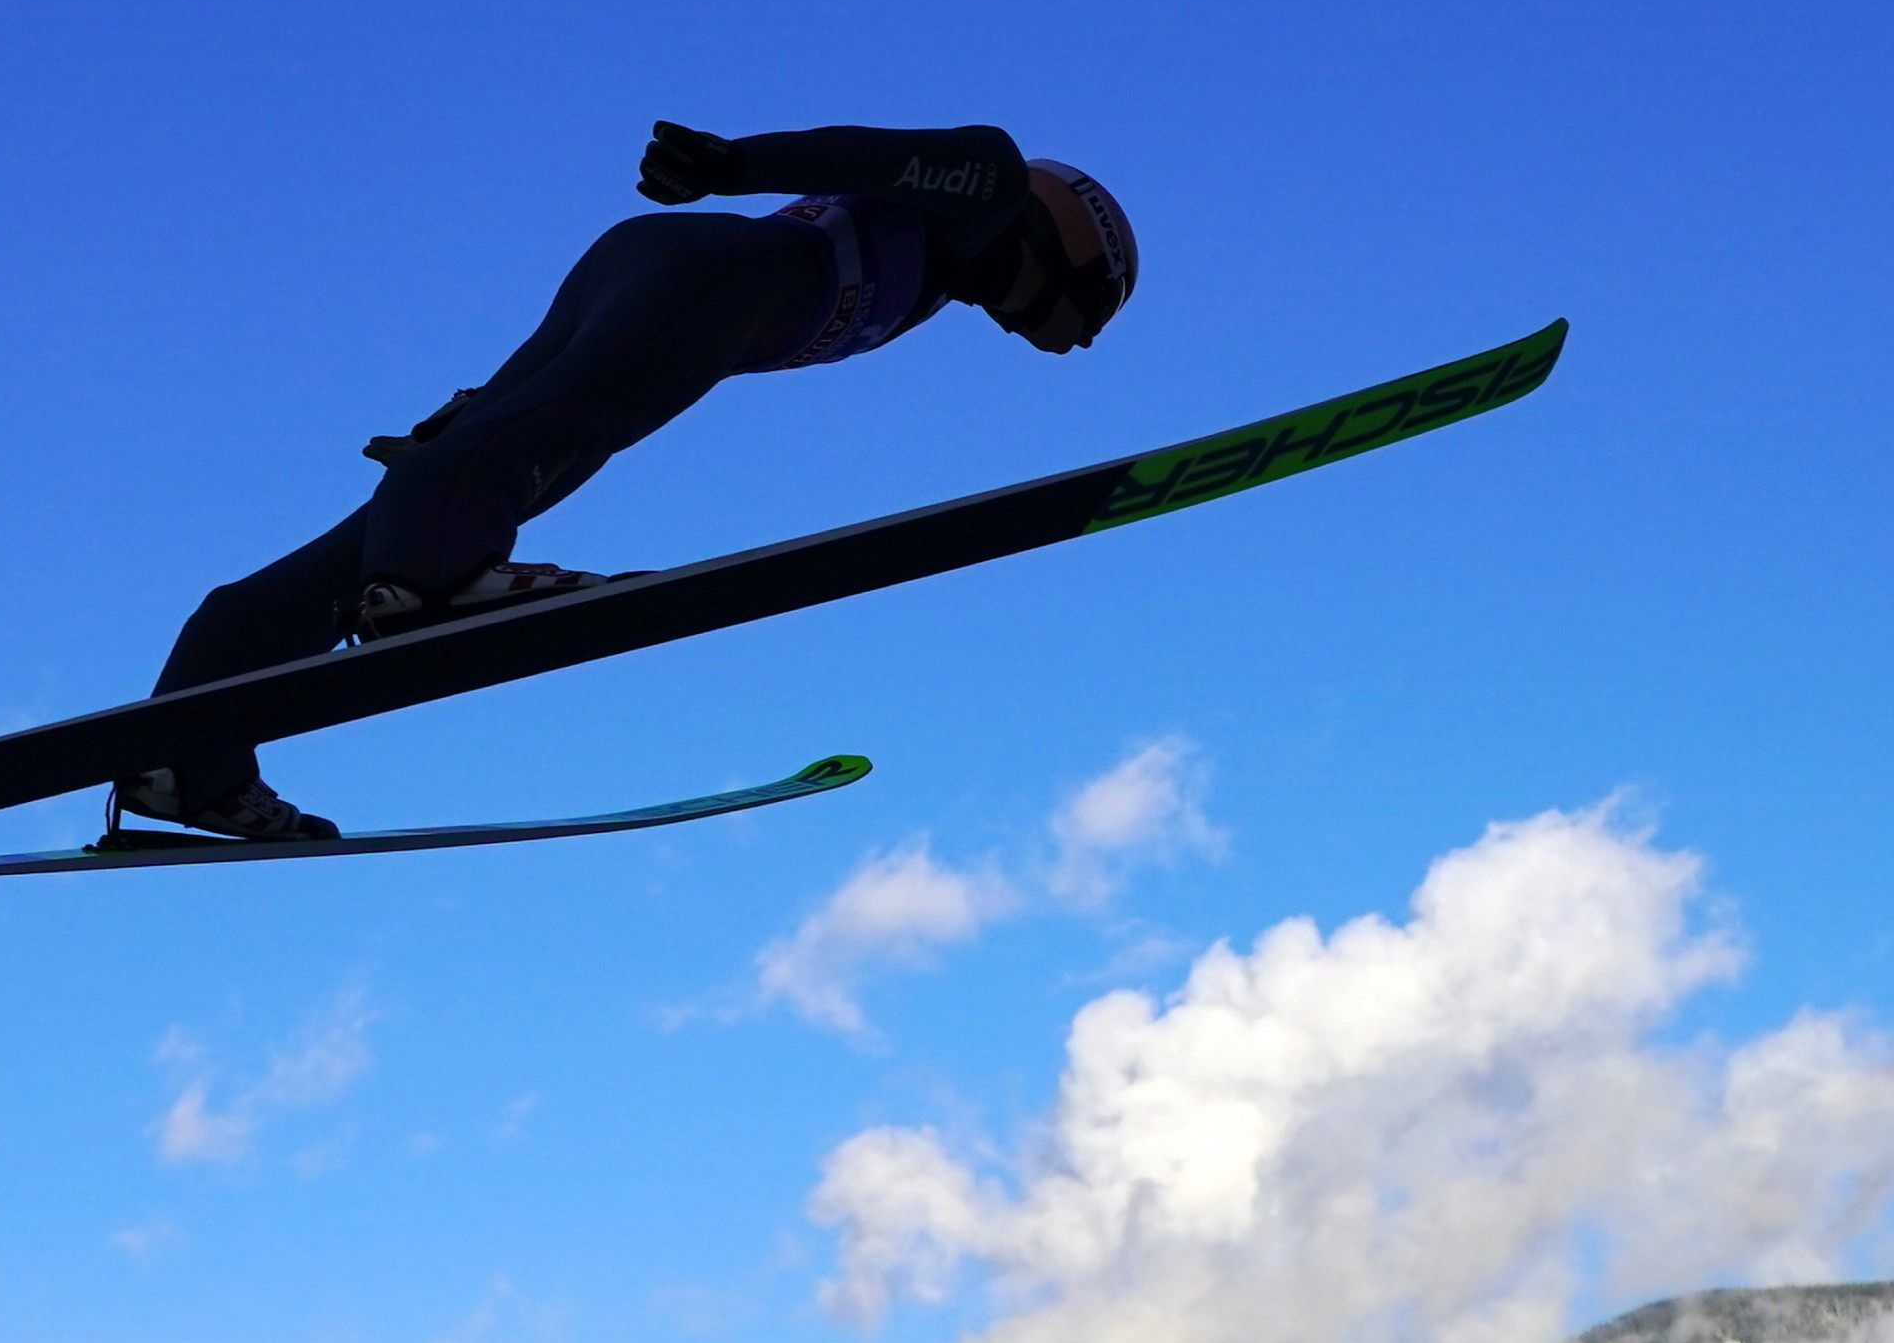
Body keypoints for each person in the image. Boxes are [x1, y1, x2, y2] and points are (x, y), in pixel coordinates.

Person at [119, 122, 1139, 839]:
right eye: (1072, 307)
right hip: (712, 273)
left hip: (665, 272)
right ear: (1068, 237)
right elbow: (868, 152)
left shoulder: (934, 280)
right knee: (570, 431)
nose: (1039, 332)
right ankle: (435, 582)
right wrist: (734, 164)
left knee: (460, 489)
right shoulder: (993, 182)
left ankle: (186, 752)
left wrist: (482, 411)